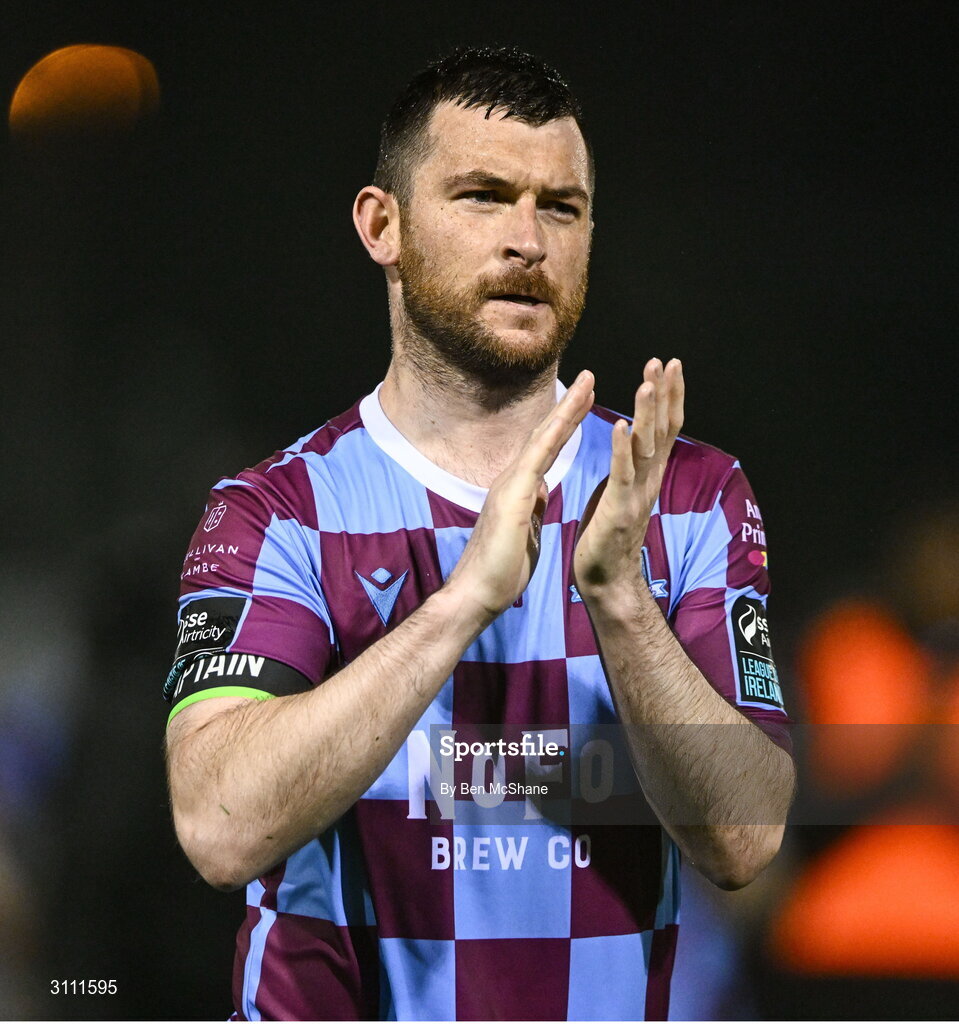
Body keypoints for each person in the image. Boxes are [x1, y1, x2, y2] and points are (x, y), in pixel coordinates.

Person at [164, 46, 795, 1021]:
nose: (526, 241)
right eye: (482, 195)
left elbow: (743, 840)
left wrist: (621, 601)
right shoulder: (276, 508)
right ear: (383, 226)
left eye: (560, 206)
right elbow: (217, 823)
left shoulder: (686, 495)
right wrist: (461, 602)